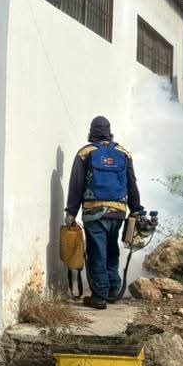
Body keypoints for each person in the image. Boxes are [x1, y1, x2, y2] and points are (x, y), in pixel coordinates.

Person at [65, 116, 143, 309]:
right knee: (111, 249)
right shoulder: (124, 153)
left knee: (97, 251)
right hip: (118, 212)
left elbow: (76, 185)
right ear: (110, 133)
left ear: (91, 133)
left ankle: (99, 295)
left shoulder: (85, 153)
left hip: (94, 212)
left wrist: (71, 212)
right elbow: (132, 183)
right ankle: (113, 289)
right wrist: (136, 209)